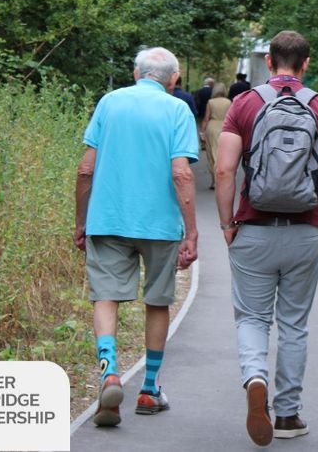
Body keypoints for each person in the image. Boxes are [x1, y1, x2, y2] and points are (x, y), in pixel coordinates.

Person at [214, 30, 318, 446]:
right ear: (306, 63)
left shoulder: (245, 104)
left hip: (253, 230)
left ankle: (254, 377)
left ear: (270, 61)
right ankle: (289, 415)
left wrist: (227, 225)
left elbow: (224, 171)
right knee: (294, 324)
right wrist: (313, 176)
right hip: (304, 233)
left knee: (252, 318)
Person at [73, 47, 200, 428]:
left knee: (105, 295)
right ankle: (149, 389)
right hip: (159, 225)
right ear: (174, 80)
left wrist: (82, 220)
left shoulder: (109, 103)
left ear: (135, 73)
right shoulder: (178, 110)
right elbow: (181, 174)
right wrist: (191, 231)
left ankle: (108, 372)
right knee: (157, 301)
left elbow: (85, 169)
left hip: (108, 219)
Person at [200, 82, 231, 190]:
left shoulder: (211, 102)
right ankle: (221, 178)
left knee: (211, 153)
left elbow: (206, 118)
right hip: (224, 127)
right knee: (223, 153)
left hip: (212, 127)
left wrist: (202, 132)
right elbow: (230, 117)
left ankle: (214, 180)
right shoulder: (228, 102)